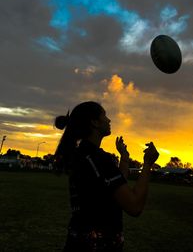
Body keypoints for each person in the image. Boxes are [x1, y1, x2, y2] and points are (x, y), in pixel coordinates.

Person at [54, 101, 159, 252]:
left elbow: (116, 187)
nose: (109, 120)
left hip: (78, 242)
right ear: (94, 122)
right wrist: (148, 164)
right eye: (104, 115)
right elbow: (134, 206)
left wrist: (124, 157)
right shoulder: (97, 158)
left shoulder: (82, 155)